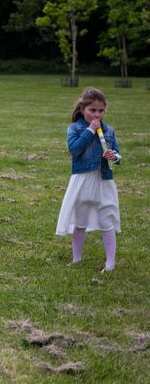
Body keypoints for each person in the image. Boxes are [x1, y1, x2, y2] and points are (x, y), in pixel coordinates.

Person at [56, 88, 121, 272]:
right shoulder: (75, 128)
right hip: (83, 180)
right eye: (92, 110)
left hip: (104, 180)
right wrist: (89, 131)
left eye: (100, 111)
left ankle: (110, 262)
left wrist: (113, 156)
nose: (97, 115)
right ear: (83, 108)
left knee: (106, 218)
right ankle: (77, 259)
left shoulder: (109, 131)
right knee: (80, 220)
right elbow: (74, 149)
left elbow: (118, 156)